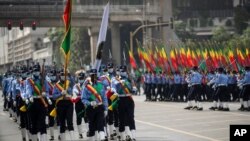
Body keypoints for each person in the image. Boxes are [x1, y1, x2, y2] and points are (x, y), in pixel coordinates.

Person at [81, 68, 108, 141]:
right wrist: (89, 103)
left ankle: (102, 138)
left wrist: (106, 109)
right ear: (90, 76)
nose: (94, 77)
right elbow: (83, 99)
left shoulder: (100, 85)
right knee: (92, 126)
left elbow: (104, 98)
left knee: (100, 123)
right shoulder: (86, 87)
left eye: (95, 75)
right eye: (92, 75)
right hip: (90, 108)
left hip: (99, 107)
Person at [111, 65, 136, 141]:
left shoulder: (130, 78)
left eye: (124, 71)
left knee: (131, 117)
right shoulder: (115, 79)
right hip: (120, 99)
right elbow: (113, 88)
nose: (123, 73)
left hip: (128, 99)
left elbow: (133, 88)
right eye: (121, 71)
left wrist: (134, 88)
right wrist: (117, 87)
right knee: (121, 119)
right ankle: (122, 137)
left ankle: (133, 136)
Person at [26, 64, 48, 141]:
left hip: (41, 102)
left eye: (38, 71)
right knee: (33, 124)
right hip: (33, 102)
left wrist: (45, 94)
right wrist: (30, 96)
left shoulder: (43, 79)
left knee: (42, 123)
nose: (37, 72)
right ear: (32, 71)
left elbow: (47, 90)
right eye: (35, 71)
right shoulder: (29, 80)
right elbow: (28, 89)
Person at [52, 69, 74, 141]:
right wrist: (60, 94)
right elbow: (54, 96)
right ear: (59, 76)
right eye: (61, 75)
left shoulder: (69, 83)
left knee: (70, 122)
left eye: (64, 75)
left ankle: (72, 139)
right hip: (60, 104)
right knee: (62, 123)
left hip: (69, 103)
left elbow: (71, 93)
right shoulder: (56, 85)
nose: (63, 76)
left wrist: (67, 91)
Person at [72, 71, 88, 139]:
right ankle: (80, 133)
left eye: (82, 78)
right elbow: (75, 92)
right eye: (79, 78)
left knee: (86, 117)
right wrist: (78, 92)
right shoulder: (76, 86)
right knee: (78, 118)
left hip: (85, 103)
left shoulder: (87, 85)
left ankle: (88, 131)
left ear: (84, 78)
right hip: (78, 103)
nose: (81, 79)